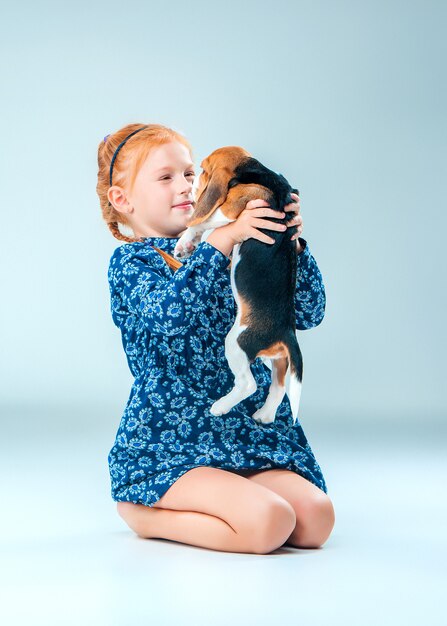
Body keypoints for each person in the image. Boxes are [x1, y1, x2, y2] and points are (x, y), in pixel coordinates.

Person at [96, 123, 335, 554]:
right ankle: (144, 511)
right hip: (175, 438)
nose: (186, 186)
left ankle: (237, 492)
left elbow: (308, 313)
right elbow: (172, 316)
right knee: (269, 524)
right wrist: (220, 241)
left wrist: (289, 245)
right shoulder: (132, 262)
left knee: (316, 520)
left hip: (244, 433)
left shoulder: (234, 247)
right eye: (165, 177)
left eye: (190, 173)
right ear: (123, 199)